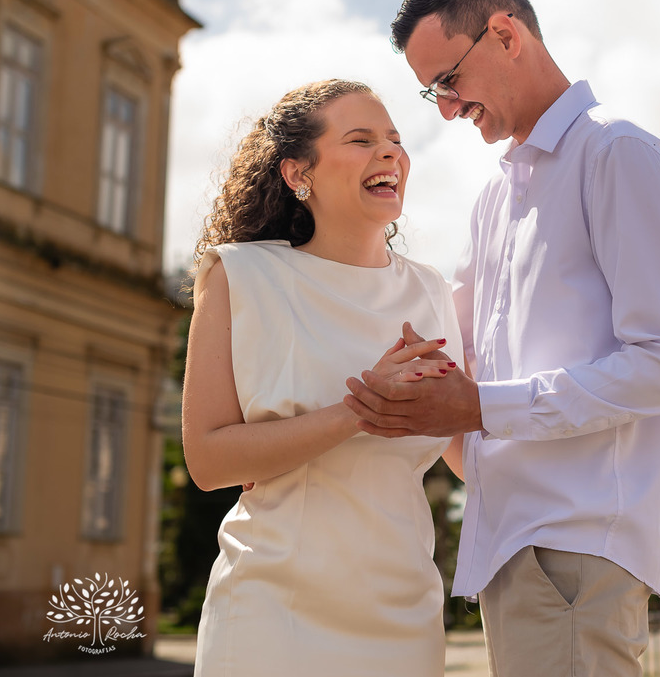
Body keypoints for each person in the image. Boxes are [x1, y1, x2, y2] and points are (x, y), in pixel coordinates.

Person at [345, 0, 660, 676]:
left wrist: (480, 403)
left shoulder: (617, 152)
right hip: (509, 549)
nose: (445, 109)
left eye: (448, 80)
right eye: (431, 93)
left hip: (573, 553)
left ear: (505, 34)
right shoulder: (494, 198)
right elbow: (454, 361)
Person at [182, 79, 463, 677]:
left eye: (394, 140)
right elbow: (207, 460)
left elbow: (469, 450)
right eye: (360, 139)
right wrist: (360, 408)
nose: (389, 153)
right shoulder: (240, 276)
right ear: (297, 173)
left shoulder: (434, 293)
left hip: (406, 617)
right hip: (271, 615)